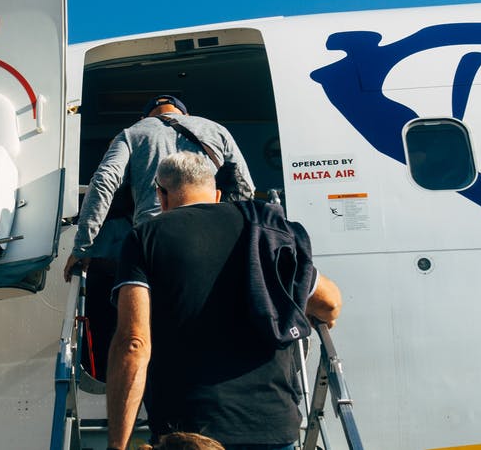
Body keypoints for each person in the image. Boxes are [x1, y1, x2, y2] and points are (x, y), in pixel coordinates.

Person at [105, 152, 341, 450]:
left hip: (188, 434)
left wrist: (117, 444)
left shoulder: (145, 238)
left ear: (161, 195)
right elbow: (329, 303)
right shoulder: (262, 231)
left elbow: (133, 343)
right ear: (216, 194)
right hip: (272, 424)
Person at [66, 94, 255, 279]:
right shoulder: (216, 130)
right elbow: (245, 188)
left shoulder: (133, 132)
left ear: (144, 118)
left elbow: (103, 181)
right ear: (185, 115)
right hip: (210, 237)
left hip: (152, 237)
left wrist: (83, 246)